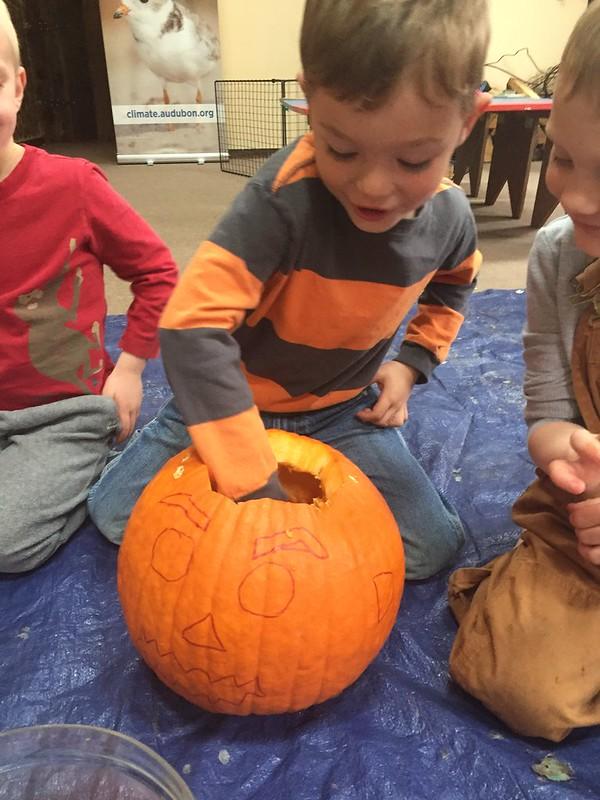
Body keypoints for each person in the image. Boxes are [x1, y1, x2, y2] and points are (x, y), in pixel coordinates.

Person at [89, 0, 490, 580]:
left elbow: (455, 283)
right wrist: (249, 475)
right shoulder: (280, 203)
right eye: (342, 149)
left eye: (413, 159)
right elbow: (190, 326)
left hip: (339, 410)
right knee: (113, 515)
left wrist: (412, 363)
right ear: (308, 98)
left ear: (467, 121)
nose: (374, 186)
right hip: (237, 402)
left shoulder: (451, 219)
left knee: (429, 549)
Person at [448, 0, 600, 742]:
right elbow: (547, 392)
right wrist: (556, 448)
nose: (574, 197)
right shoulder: (557, 250)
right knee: (515, 683)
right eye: (563, 158)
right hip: (585, 527)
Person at [0, 0, 178, 573]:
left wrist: (128, 371)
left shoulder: (71, 186)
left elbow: (158, 273)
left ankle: (95, 471)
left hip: (65, 411)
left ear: (18, 86)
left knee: (7, 543)